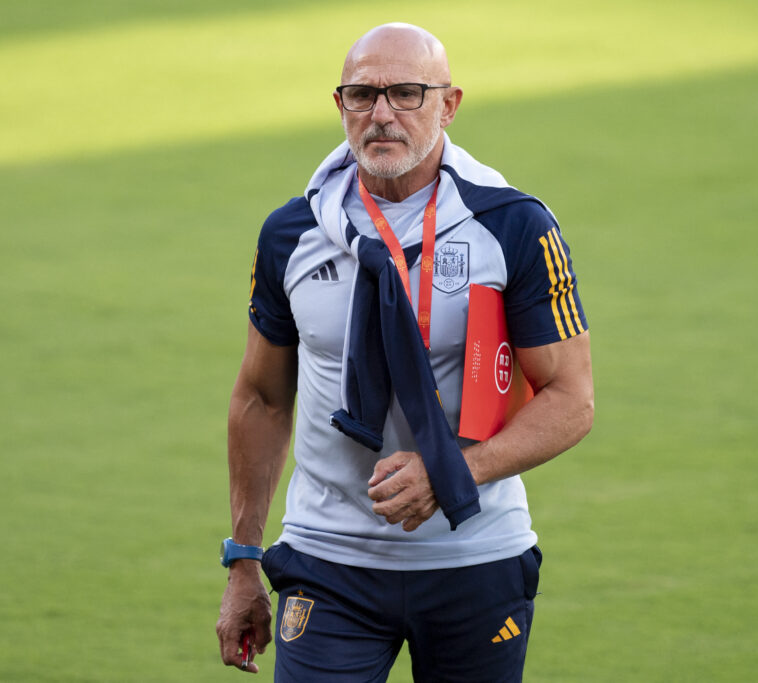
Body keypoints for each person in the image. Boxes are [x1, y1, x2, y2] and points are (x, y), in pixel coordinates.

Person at [216, 22, 593, 681]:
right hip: (327, 559)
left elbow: (572, 399)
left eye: (408, 93)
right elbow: (262, 396)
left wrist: (453, 472)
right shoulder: (290, 233)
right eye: (363, 94)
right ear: (340, 106)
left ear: (449, 105)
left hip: (473, 558)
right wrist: (244, 557)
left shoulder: (512, 225)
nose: (382, 114)